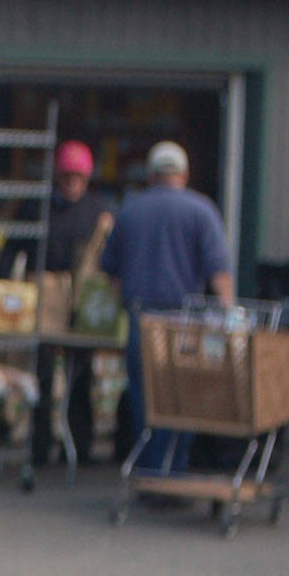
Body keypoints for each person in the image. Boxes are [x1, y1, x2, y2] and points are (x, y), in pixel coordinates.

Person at [100, 140, 234, 475]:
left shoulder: (129, 210)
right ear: (184, 174)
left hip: (141, 319)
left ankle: (148, 470)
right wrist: (231, 315)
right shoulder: (201, 211)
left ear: (151, 175)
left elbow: (110, 272)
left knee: (144, 397)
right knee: (183, 396)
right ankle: (174, 470)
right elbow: (219, 273)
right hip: (184, 322)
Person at [14, 138, 113, 472]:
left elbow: (108, 257)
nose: (72, 184)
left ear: (86, 180)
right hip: (45, 291)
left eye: (78, 179)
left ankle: (81, 448)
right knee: (42, 373)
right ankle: (39, 448)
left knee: (81, 376)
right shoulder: (37, 207)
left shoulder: (96, 211)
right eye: (67, 177)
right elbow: (14, 247)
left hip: (80, 295)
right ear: (58, 176)